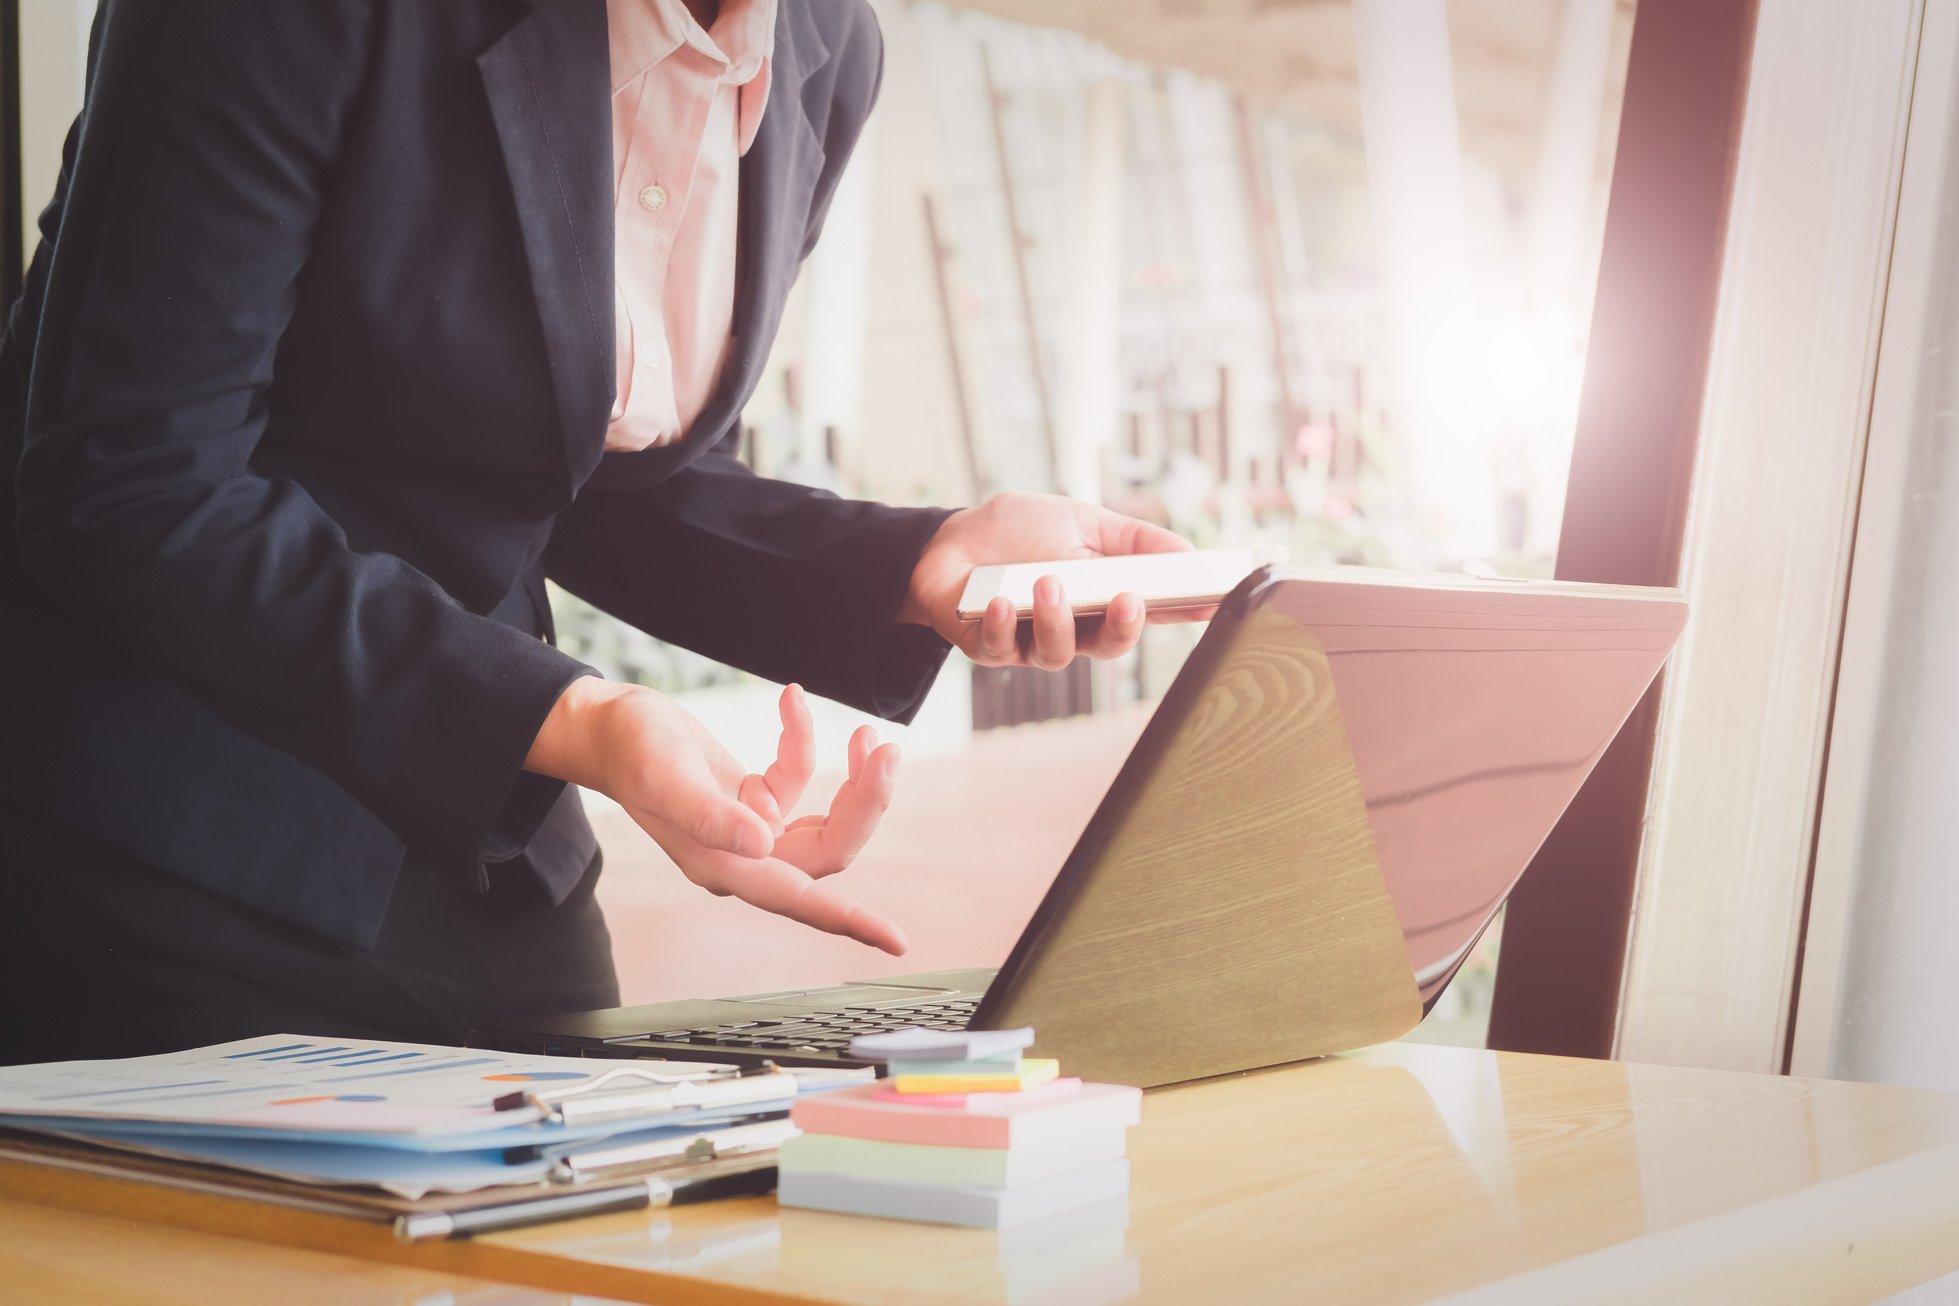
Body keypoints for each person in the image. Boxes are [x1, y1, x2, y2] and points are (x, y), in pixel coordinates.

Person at [0, 0, 1187, 1064]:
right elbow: (132, 479)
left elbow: (585, 467)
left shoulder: (826, 47)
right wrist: (584, 718)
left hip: (478, 826)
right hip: (156, 815)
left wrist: (916, 563)